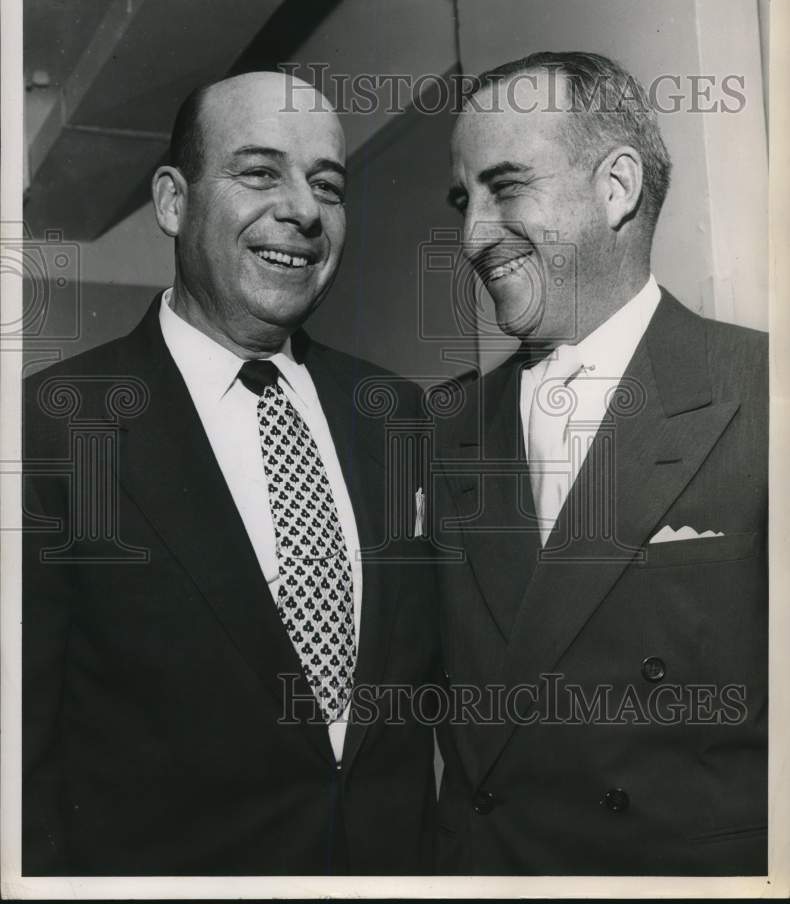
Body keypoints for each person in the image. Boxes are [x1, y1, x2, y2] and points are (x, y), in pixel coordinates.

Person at [23, 72, 438, 876]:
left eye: (328, 184)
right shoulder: (52, 429)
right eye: (259, 172)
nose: (305, 212)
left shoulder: (398, 416)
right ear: (173, 202)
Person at [433, 52, 767, 875]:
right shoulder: (438, 429)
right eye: (464, 199)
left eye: (506, 187)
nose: (473, 234)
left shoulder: (762, 393)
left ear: (616, 189)